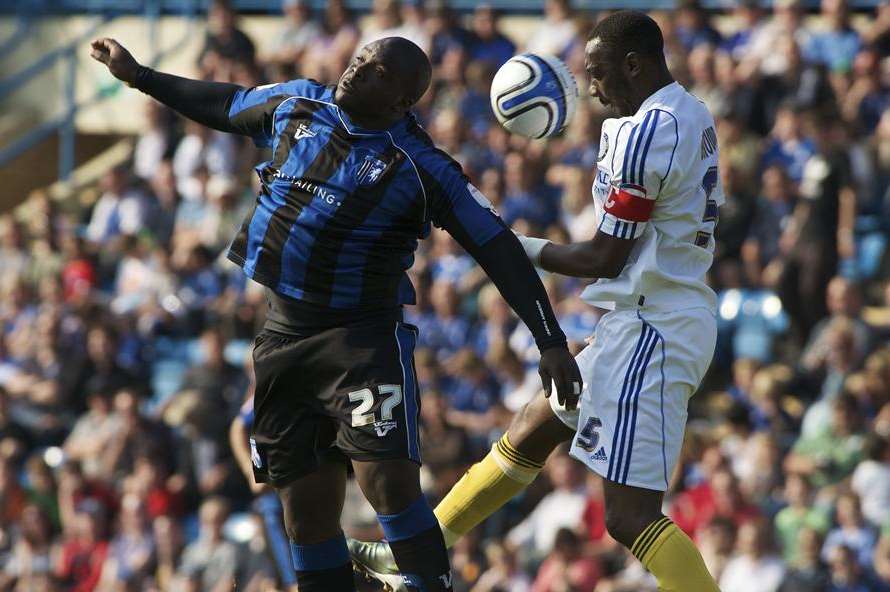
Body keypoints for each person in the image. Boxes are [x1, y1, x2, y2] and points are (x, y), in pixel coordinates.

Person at [89, 34, 581, 592]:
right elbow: (226, 104)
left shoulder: (422, 167)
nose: (359, 68)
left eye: (377, 71)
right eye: (360, 59)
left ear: (402, 101)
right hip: (281, 339)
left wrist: (550, 341)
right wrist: (140, 76)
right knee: (304, 513)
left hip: (360, 343)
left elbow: (497, 247)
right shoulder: (299, 103)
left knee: (390, 485)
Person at [352, 11, 723, 592]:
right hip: (654, 315)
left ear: (635, 64)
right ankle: (417, 549)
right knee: (537, 422)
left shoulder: (648, 130)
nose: (592, 88)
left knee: (628, 518)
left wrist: (511, 245)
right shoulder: (690, 111)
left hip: (655, 326)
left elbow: (605, 258)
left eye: (599, 74)